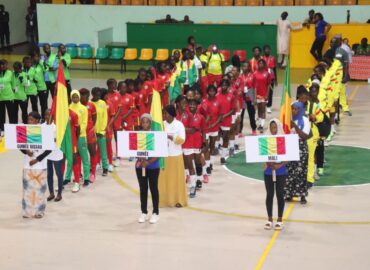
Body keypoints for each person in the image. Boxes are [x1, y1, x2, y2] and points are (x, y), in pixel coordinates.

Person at [20, 111, 51, 218]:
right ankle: (27, 211)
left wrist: (36, 159)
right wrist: (26, 152)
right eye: (28, 119)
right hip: (27, 165)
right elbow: (20, 145)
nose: (29, 121)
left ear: (37, 121)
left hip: (40, 165)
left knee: (40, 190)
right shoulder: (24, 130)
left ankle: (39, 211)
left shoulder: (44, 131)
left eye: (32, 120)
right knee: (27, 189)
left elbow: (49, 149)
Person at [158, 105, 188, 208]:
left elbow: (182, 140)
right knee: (164, 179)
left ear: (171, 114)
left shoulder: (179, 125)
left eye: (166, 113)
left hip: (175, 156)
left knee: (177, 180)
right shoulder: (162, 124)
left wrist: (170, 137)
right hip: (164, 155)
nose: (164, 115)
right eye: (164, 113)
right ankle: (164, 200)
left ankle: (179, 200)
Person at [136, 114, 160, 224]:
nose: (145, 124)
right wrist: (141, 160)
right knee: (143, 189)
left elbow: (159, 151)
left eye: (147, 122)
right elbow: (134, 149)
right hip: (141, 166)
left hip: (153, 166)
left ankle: (155, 212)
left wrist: (149, 162)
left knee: (153, 188)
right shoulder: (138, 135)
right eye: (143, 122)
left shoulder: (155, 135)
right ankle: (144, 212)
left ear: (150, 123)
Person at [264, 119, 287, 231]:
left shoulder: (284, 139)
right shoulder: (265, 139)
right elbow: (262, 154)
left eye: (275, 127)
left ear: (278, 128)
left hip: (281, 170)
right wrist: (269, 163)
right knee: (269, 195)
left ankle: (279, 219)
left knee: (279, 194)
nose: (273, 130)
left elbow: (289, 157)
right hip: (268, 171)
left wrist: (279, 165)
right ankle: (269, 219)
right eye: (271, 127)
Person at [285, 102, 311, 204]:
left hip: (301, 147)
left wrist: (295, 126)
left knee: (301, 172)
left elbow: (305, 136)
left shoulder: (305, 120)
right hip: (290, 146)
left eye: (296, 109)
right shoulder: (288, 119)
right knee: (289, 171)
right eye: (292, 109)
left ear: (300, 110)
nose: (294, 111)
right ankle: (289, 194)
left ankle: (302, 195)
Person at [69, 90, 90, 192]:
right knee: (75, 158)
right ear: (71, 97)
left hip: (81, 136)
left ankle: (86, 178)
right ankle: (77, 176)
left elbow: (85, 122)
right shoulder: (68, 108)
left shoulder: (83, 108)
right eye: (73, 97)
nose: (75, 99)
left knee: (84, 157)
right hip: (72, 137)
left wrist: (79, 132)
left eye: (77, 97)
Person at [44, 109, 64, 202]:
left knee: (59, 174)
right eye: (46, 115)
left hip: (56, 153)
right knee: (49, 175)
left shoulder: (56, 127)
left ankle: (59, 193)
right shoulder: (42, 126)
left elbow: (59, 139)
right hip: (46, 155)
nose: (48, 117)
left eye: (49, 115)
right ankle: (51, 193)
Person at [79, 88, 98, 182]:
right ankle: (79, 173)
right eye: (82, 95)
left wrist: (90, 128)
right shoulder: (76, 106)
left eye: (86, 95)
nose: (85, 97)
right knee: (79, 154)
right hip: (80, 134)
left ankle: (92, 173)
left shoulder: (91, 106)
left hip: (89, 133)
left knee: (92, 152)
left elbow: (94, 118)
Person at [91, 87, 109, 177]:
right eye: (96, 95)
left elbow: (105, 117)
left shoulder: (103, 103)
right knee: (92, 152)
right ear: (92, 94)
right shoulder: (89, 104)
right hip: (92, 133)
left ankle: (105, 168)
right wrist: (92, 131)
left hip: (101, 133)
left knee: (103, 151)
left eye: (99, 95)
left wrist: (102, 130)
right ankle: (92, 168)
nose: (98, 96)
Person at [216, 79, 235, 165]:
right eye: (222, 85)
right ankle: (215, 150)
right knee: (217, 136)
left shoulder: (231, 96)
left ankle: (223, 157)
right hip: (217, 120)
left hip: (226, 120)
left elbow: (233, 110)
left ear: (228, 87)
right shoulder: (216, 96)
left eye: (225, 85)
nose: (224, 87)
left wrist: (224, 116)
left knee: (226, 138)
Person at [253, 59, 272, 133]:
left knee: (263, 109)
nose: (261, 64)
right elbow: (254, 86)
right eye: (259, 63)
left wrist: (267, 95)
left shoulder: (267, 74)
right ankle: (260, 123)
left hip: (264, 95)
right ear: (258, 64)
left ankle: (262, 125)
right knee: (259, 110)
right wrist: (254, 97)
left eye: (262, 63)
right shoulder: (254, 74)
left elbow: (268, 85)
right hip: (257, 95)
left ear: (264, 65)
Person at [240, 62, 257, 135]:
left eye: (246, 66)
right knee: (241, 115)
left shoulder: (252, 76)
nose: (245, 68)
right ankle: (239, 131)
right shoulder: (240, 76)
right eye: (243, 66)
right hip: (242, 96)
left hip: (250, 95)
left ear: (249, 67)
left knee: (251, 114)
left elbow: (255, 87)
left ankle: (254, 129)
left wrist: (255, 98)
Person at [32, 52, 48, 120]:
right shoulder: (31, 65)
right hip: (33, 89)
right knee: (34, 105)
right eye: (35, 57)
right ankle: (36, 118)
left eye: (38, 57)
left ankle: (44, 119)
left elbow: (46, 69)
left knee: (43, 105)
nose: (36, 58)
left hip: (42, 87)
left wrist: (41, 61)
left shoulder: (41, 64)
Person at [0, 59, 15, 132]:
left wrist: (14, 91)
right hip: (0, 98)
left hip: (9, 97)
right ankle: (2, 128)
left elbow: (13, 83)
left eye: (5, 64)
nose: (4, 66)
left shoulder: (10, 72)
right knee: (1, 114)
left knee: (11, 114)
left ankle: (11, 128)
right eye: (2, 64)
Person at [262, 45, 277, 114]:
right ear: (264, 50)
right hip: (263, 78)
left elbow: (274, 69)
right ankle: (263, 105)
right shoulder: (261, 58)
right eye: (266, 49)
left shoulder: (272, 58)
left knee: (270, 92)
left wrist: (276, 79)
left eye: (268, 49)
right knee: (263, 92)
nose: (267, 50)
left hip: (271, 78)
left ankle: (269, 106)